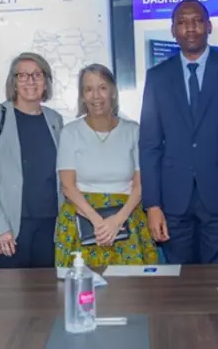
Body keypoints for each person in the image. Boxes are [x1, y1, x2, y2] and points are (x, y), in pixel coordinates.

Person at [139, 0, 218, 265]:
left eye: (196, 21)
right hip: (173, 203)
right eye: (182, 22)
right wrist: (152, 205)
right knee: (180, 288)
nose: (190, 28)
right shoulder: (157, 77)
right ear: (173, 31)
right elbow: (149, 146)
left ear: (209, 26)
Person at [54, 64, 158, 267]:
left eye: (102, 87)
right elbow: (68, 186)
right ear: (82, 96)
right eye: (88, 89)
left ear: (113, 92)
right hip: (82, 222)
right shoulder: (70, 132)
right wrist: (99, 222)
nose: (96, 96)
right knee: (82, 291)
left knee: (130, 293)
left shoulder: (133, 131)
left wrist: (116, 221)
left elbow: (140, 185)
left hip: (127, 220)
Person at [0, 52, 64, 268]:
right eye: (22, 75)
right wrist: (0, 228)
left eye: (37, 75)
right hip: (8, 226)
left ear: (46, 82)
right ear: (13, 82)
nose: (30, 81)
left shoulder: (55, 119)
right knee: (10, 297)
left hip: (49, 224)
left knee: (45, 295)